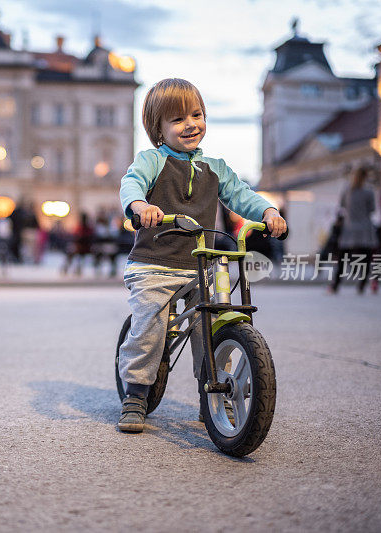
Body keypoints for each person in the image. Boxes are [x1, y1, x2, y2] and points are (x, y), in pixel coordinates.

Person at [116, 78, 285, 433]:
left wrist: (267, 212)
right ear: (158, 128)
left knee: (211, 325)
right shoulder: (152, 160)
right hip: (154, 263)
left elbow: (241, 194)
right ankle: (135, 393)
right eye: (178, 119)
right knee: (150, 325)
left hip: (202, 262)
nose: (191, 124)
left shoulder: (215, 168)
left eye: (197, 114)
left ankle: (211, 390)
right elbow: (131, 183)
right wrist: (140, 204)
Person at [329, 168, 378, 294]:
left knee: (343, 259)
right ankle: (362, 284)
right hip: (364, 228)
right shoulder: (368, 191)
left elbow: (342, 207)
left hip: (349, 227)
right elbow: (372, 209)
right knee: (365, 259)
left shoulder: (347, 191)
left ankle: (335, 285)